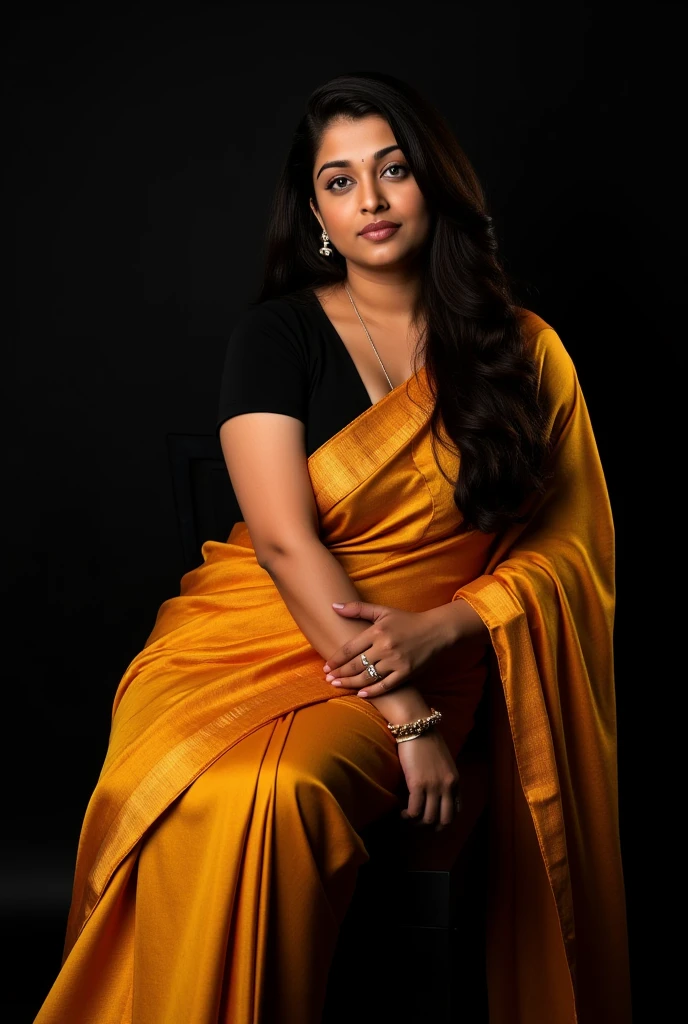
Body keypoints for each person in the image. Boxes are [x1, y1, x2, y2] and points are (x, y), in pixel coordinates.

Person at [35, 71, 631, 1023]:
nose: (372, 200)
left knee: (284, 789)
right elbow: (279, 539)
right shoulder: (277, 336)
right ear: (314, 211)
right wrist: (407, 718)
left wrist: (439, 633)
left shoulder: (524, 352)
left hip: (442, 659)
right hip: (257, 645)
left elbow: (569, 553)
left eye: (391, 170)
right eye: (341, 181)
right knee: (232, 790)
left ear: (432, 181)